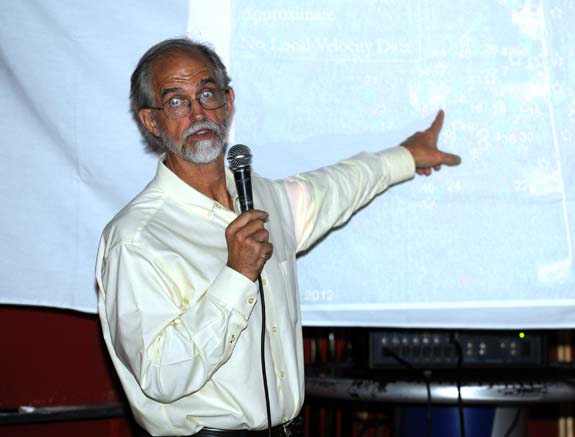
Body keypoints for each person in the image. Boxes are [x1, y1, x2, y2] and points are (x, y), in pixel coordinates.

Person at [95, 37, 461, 437]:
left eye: (207, 93)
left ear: (228, 102)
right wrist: (237, 275)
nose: (198, 112)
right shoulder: (135, 239)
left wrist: (405, 156)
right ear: (152, 121)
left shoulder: (261, 196)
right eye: (177, 101)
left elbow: (332, 188)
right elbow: (161, 377)